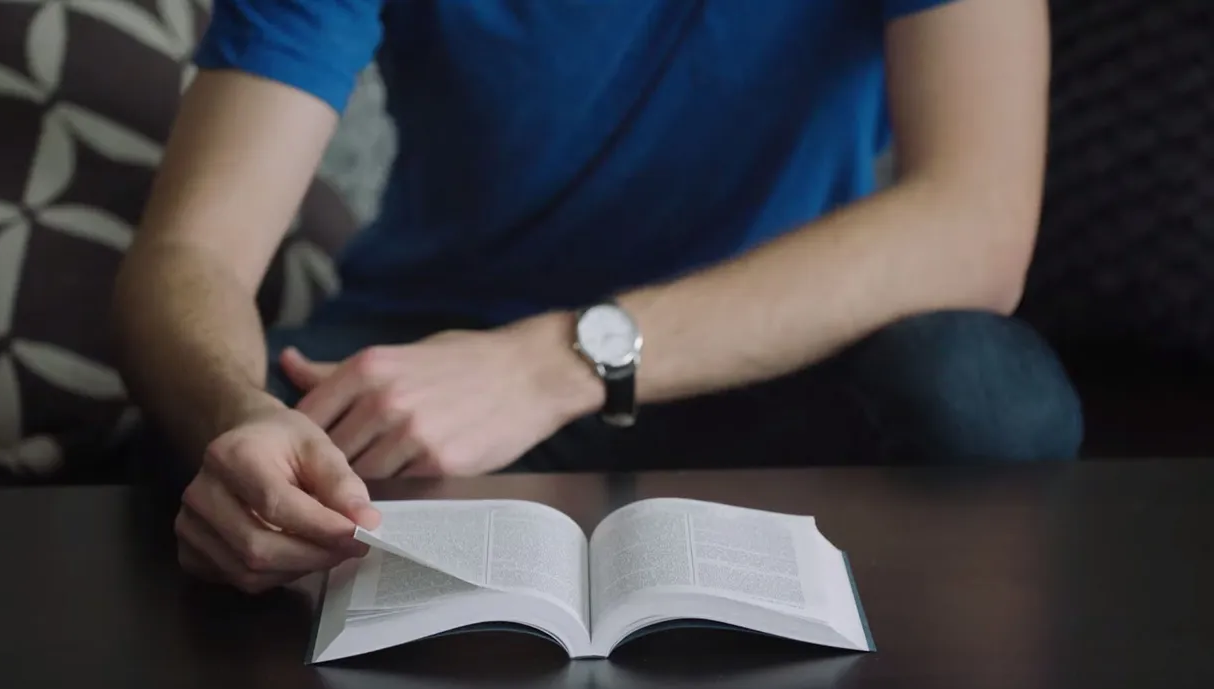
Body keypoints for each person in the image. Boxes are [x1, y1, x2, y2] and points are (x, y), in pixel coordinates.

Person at [112, 0, 1080, 594]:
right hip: (436, 360)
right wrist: (234, 417)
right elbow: (193, 250)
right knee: (215, 458)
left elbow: (976, 224)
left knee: (985, 398)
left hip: (776, 367)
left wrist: (552, 364)